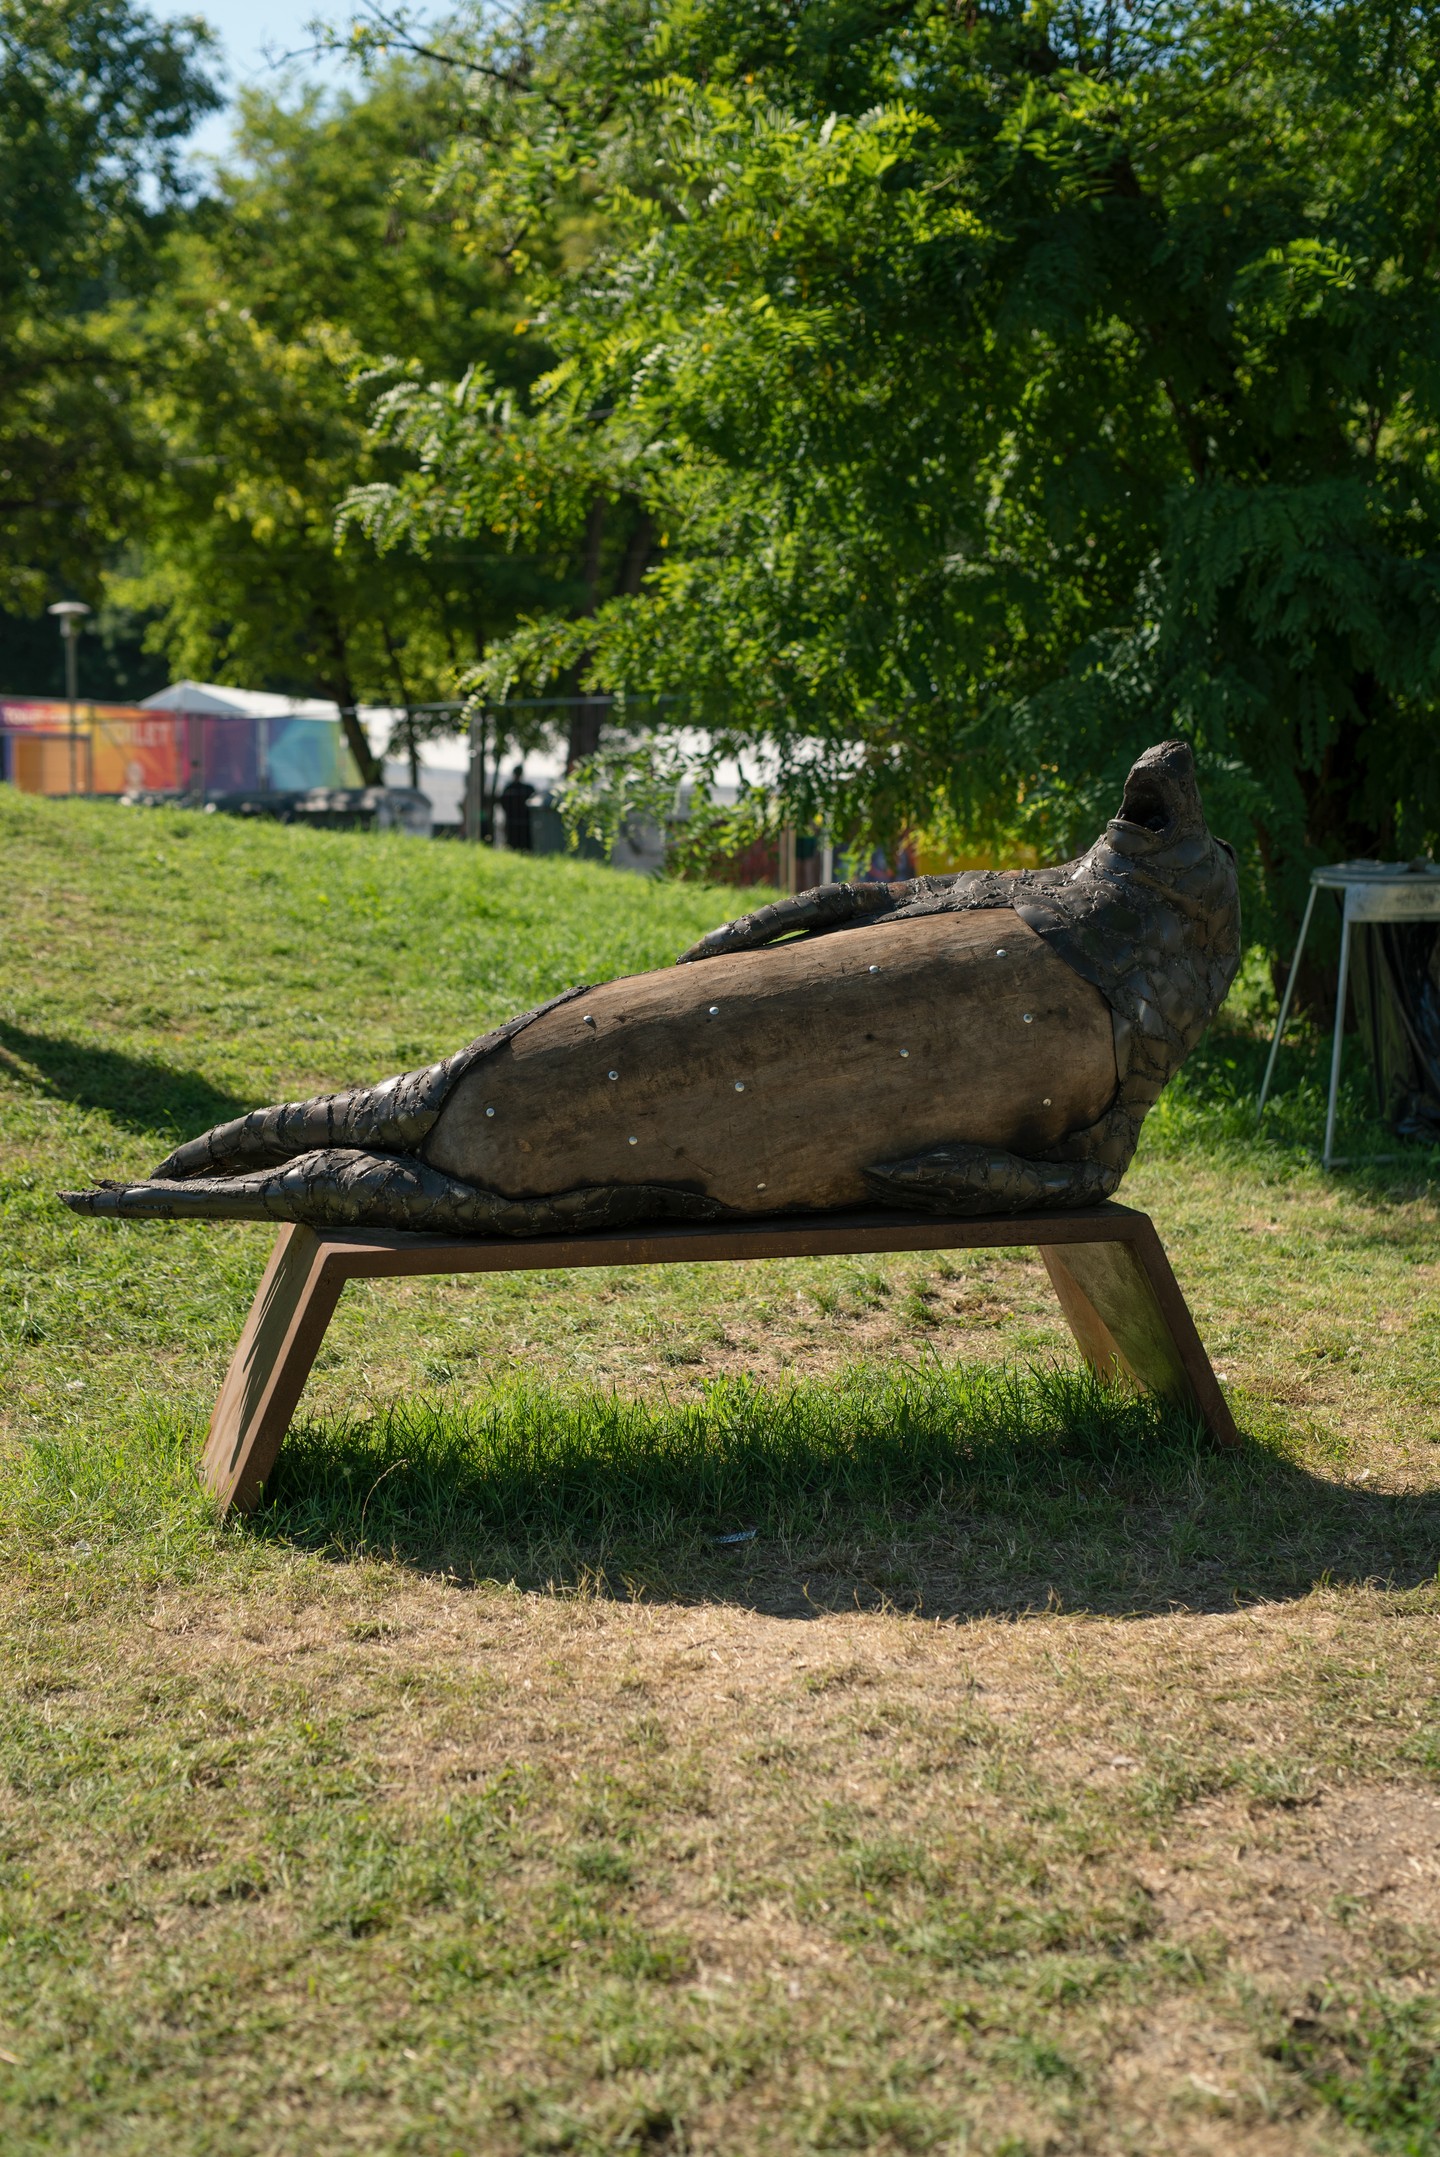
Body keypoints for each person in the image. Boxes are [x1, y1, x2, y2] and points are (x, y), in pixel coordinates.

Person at [500, 762, 534, 852]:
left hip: (514, 822)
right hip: (522, 823)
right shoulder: (528, 789)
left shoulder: (509, 789)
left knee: (513, 846)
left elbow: (503, 804)